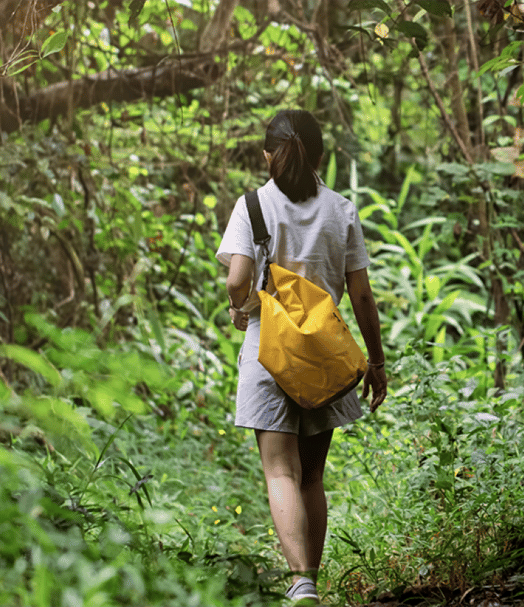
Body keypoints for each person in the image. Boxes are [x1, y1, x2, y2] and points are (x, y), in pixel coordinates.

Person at [215, 109, 387, 604]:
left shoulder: (252, 206)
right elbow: (362, 296)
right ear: (320, 155)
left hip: (269, 350)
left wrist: (237, 307)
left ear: (267, 155)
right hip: (324, 355)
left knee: (280, 471)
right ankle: (313, 576)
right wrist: (375, 362)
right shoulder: (342, 211)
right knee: (312, 474)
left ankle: (300, 583)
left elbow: (235, 279)